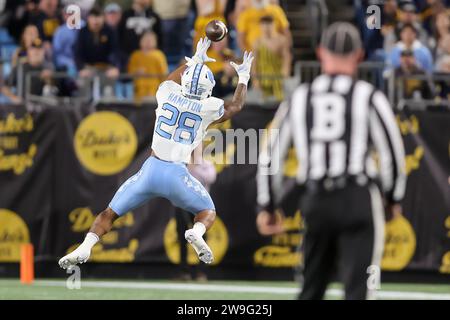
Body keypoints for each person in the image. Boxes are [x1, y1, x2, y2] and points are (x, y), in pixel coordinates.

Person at [58, 38, 254, 268]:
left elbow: (172, 78)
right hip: (177, 174)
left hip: (150, 170)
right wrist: (243, 77)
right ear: (207, 89)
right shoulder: (207, 106)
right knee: (206, 212)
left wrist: (196, 60)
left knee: (109, 213)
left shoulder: (166, 92)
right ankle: (197, 233)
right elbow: (236, 106)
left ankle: (85, 248)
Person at [256, 22, 406, 300]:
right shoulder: (368, 96)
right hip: (357, 196)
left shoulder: (300, 97)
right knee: (359, 290)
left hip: (317, 199)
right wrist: (393, 198)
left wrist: (267, 205)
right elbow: (393, 155)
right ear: (359, 55)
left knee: (311, 288)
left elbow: (270, 156)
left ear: (321, 52)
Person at [251, 15, 291, 101]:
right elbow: (254, 63)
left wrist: (285, 73)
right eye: (263, 25)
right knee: (263, 104)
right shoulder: (257, 42)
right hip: (263, 78)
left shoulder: (282, 40)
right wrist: (255, 79)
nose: (266, 28)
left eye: (268, 24)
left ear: (274, 25)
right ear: (260, 26)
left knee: (280, 103)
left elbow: (286, 59)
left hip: (278, 78)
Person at [2, 38, 54, 103]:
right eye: (33, 49)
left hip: (42, 107)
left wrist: (49, 80)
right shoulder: (20, 67)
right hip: (22, 106)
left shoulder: (49, 68)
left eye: (39, 49)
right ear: (28, 51)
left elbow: (57, 94)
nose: (36, 51)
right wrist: (13, 97)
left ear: (43, 52)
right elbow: (5, 87)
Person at [74, 7, 120, 79]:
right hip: (87, 68)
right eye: (93, 17)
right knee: (84, 86)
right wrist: (81, 68)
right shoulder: (82, 32)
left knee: (108, 88)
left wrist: (115, 67)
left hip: (106, 68)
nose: (96, 21)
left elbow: (115, 51)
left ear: (103, 18)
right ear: (88, 18)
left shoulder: (110, 31)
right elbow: (78, 52)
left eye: (98, 17)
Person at [127, 31, 168, 99]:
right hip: (138, 89)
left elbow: (164, 73)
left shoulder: (159, 55)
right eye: (145, 40)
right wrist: (136, 71)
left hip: (154, 89)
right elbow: (130, 71)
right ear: (140, 41)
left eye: (151, 40)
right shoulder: (135, 55)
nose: (148, 42)